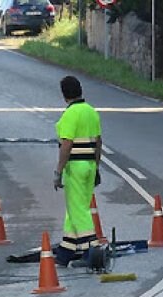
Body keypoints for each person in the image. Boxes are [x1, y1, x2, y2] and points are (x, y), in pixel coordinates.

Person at [53, 76, 102, 267]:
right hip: (90, 165)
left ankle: (92, 251)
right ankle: (66, 251)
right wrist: (96, 167)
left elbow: (67, 144)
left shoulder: (70, 114)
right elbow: (98, 142)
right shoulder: (91, 112)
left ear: (64, 95)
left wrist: (58, 171)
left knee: (79, 210)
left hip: (75, 167)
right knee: (75, 208)